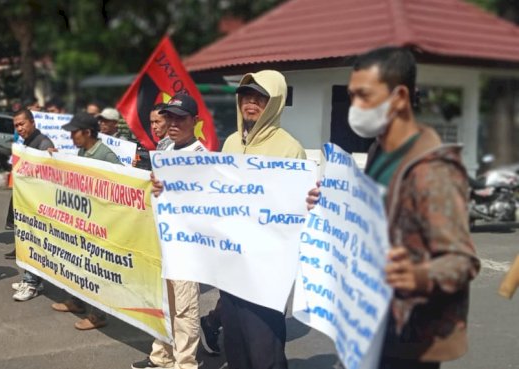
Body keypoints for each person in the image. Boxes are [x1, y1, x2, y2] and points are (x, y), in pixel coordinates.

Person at [307, 47, 479, 369]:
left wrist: (418, 274)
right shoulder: (379, 150)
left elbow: (461, 262)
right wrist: (328, 203)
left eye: (364, 96)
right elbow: (370, 214)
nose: (354, 108)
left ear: (399, 97)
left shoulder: (435, 170)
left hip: (409, 340)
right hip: (371, 324)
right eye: (351, 96)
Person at [222, 71, 306, 369]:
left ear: (275, 103)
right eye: (246, 96)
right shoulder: (231, 142)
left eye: (260, 97)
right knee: (234, 343)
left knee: (264, 349)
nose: (251, 102)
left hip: (265, 270)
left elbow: (294, 208)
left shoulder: (289, 148)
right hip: (231, 266)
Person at [132, 94, 205, 369]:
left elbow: (206, 206)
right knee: (161, 302)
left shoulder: (201, 158)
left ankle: (185, 363)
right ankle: (160, 357)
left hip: (186, 247)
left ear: (195, 121)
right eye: (170, 117)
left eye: (180, 118)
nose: (173, 123)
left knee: (184, 309)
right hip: (160, 242)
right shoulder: (165, 149)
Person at [50, 112, 120, 330]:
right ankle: (77, 301)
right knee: (79, 264)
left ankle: (98, 315)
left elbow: (121, 186)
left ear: (88, 132)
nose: (72, 137)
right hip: (83, 221)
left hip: (100, 224)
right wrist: (56, 159)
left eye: (75, 133)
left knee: (96, 269)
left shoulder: (106, 156)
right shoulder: (83, 151)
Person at [8, 108, 55, 301]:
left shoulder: (43, 143)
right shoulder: (25, 143)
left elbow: (50, 172)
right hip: (25, 203)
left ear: (32, 122)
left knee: (33, 243)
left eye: (22, 124)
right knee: (26, 241)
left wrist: (52, 157)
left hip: (37, 206)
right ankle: (30, 278)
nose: (19, 128)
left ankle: (31, 283)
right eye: (16, 126)